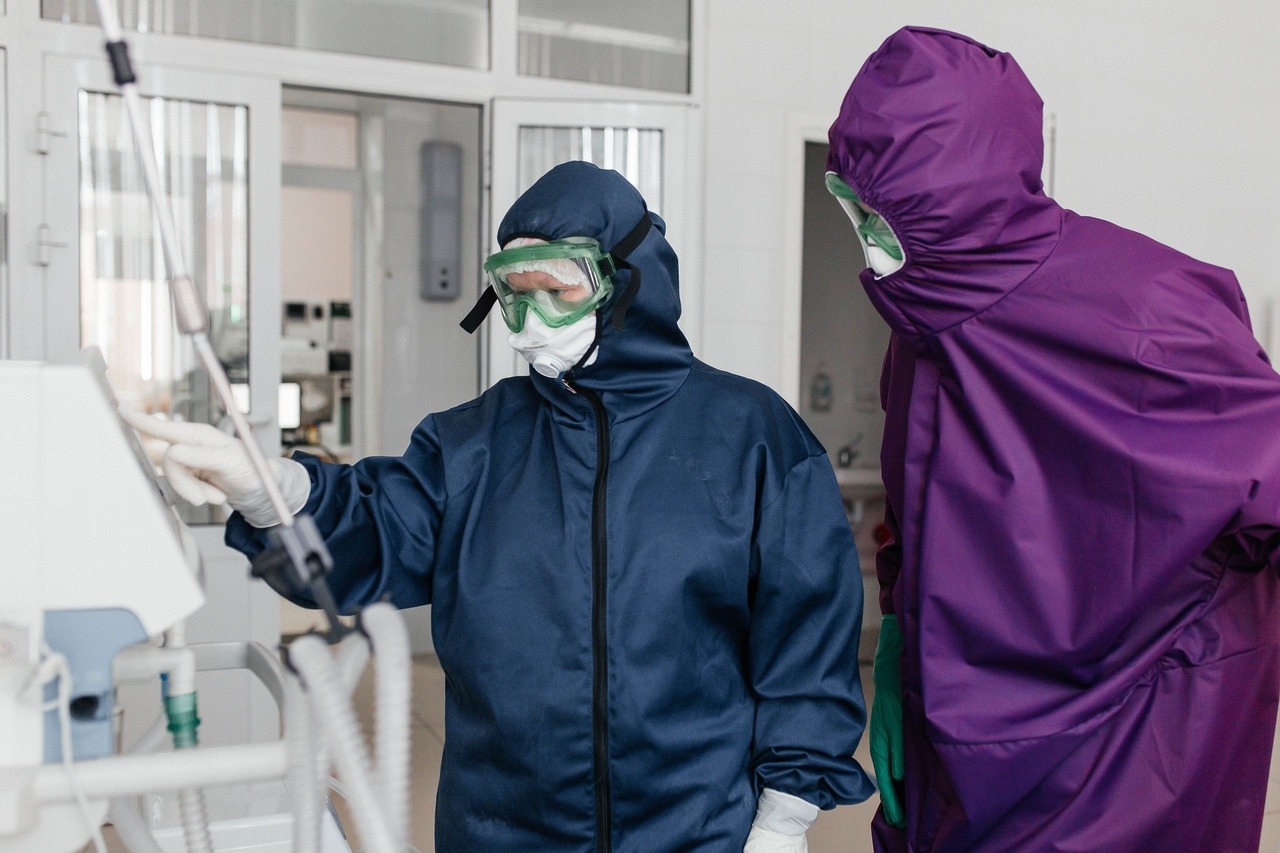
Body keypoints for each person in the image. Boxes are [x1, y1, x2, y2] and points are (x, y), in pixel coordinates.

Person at [124, 161, 874, 853]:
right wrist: (274, 492)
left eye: (559, 288)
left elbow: (807, 628)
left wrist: (785, 813)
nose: (532, 314)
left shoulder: (750, 436)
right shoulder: (473, 443)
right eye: (515, 291)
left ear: (628, 281)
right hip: (503, 828)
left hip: (694, 826)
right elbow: (375, 531)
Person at [825, 25, 1280, 852]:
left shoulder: (1149, 313)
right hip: (955, 747)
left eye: (880, 215)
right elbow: (915, 512)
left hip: (1125, 759)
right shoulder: (923, 330)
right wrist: (895, 637)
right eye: (853, 209)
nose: (866, 242)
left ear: (954, 196)